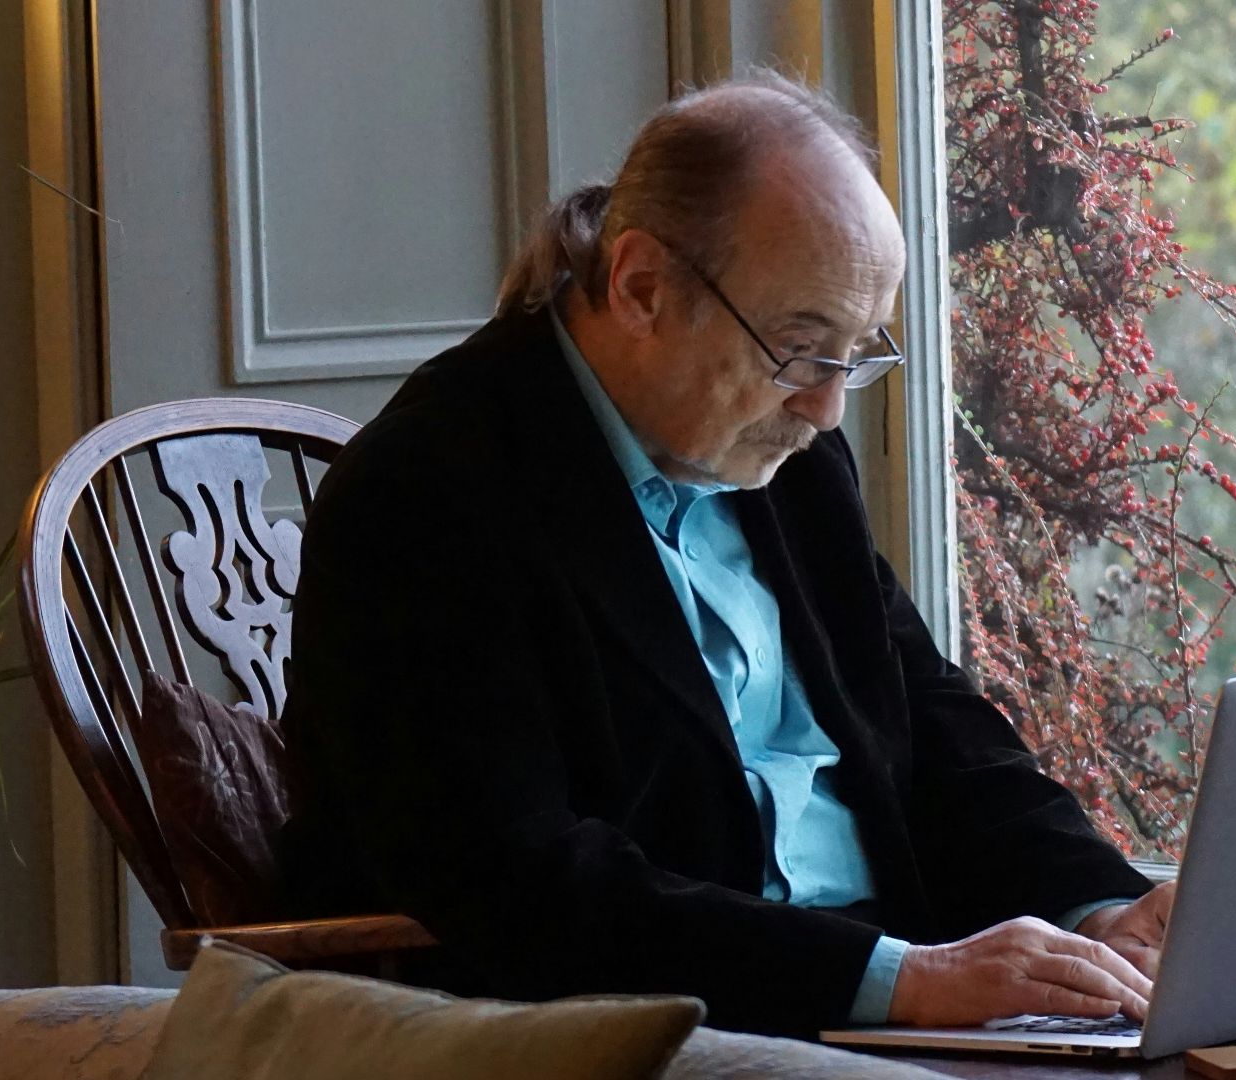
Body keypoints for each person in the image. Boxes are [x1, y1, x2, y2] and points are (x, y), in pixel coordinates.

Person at [279, 72, 1177, 1037]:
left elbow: (925, 716)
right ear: (641, 288)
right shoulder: (427, 495)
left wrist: (1102, 905)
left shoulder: (786, 454)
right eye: (799, 349)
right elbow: (523, 882)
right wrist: (902, 980)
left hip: (888, 1004)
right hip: (666, 1029)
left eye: (854, 355)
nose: (828, 408)